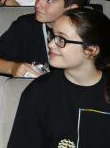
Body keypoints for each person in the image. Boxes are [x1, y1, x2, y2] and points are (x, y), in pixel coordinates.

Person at [8, 9, 110, 146]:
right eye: (52, 36)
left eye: (61, 39)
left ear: (91, 50)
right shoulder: (39, 92)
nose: (50, 44)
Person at [0, 0, 88, 78]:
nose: (38, 4)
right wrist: (13, 67)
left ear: (71, 8)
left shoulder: (87, 33)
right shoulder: (26, 26)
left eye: (49, 0)